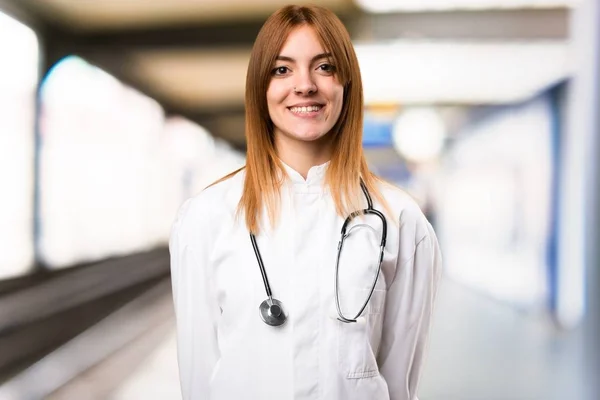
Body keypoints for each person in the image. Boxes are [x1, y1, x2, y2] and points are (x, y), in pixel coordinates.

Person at [169, 4, 442, 400]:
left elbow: (400, 384)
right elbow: (198, 381)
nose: (305, 85)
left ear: (347, 84)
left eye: (324, 67)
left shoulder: (401, 222)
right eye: (282, 69)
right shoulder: (205, 218)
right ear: (260, 87)